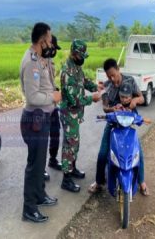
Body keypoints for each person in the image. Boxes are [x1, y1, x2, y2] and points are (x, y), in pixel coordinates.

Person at [88, 58, 149, 196]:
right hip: (113, 124)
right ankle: (99, 182)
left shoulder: (130, 81)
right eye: (109, 76)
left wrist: (134, 100)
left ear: (118, 69)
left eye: (113, 75)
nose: (112, 78)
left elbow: (142, 98)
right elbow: (104, 108)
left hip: (129, 124)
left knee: (137, 153)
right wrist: (112, 109)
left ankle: (141, 182)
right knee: (103, 153)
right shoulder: (107, 85)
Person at [20, 22, 61, 223]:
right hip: (34, 119)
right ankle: (29, 208)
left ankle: (40, 195)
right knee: (34, 165)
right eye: (50, 39)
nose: (51, 43)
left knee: (39, 163)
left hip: (42, 118)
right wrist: (54, 97)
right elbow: (33, 96)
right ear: (43, 40)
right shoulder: (31, 63)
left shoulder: (40, 59)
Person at [60, 39, 101, 193]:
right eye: (81, 55)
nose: (83, 58)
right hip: (69, 113)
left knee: (75, 143)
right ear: (75, 54)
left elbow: (83, 81)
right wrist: (93, 98)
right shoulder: (67, 72)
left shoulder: (76, 67)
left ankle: (73, 168)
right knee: (70, 145)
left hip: (75, 114)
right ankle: (66, 178)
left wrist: (96, 87)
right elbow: (75, 99)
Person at [43, 35, 62, 181]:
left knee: (55, 133)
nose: (54, 51)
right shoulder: (36, 63)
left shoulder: (50, 62)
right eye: (53, 48)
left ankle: (53, 159)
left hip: (52, 106)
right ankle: (40, 168)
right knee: (41, 138)